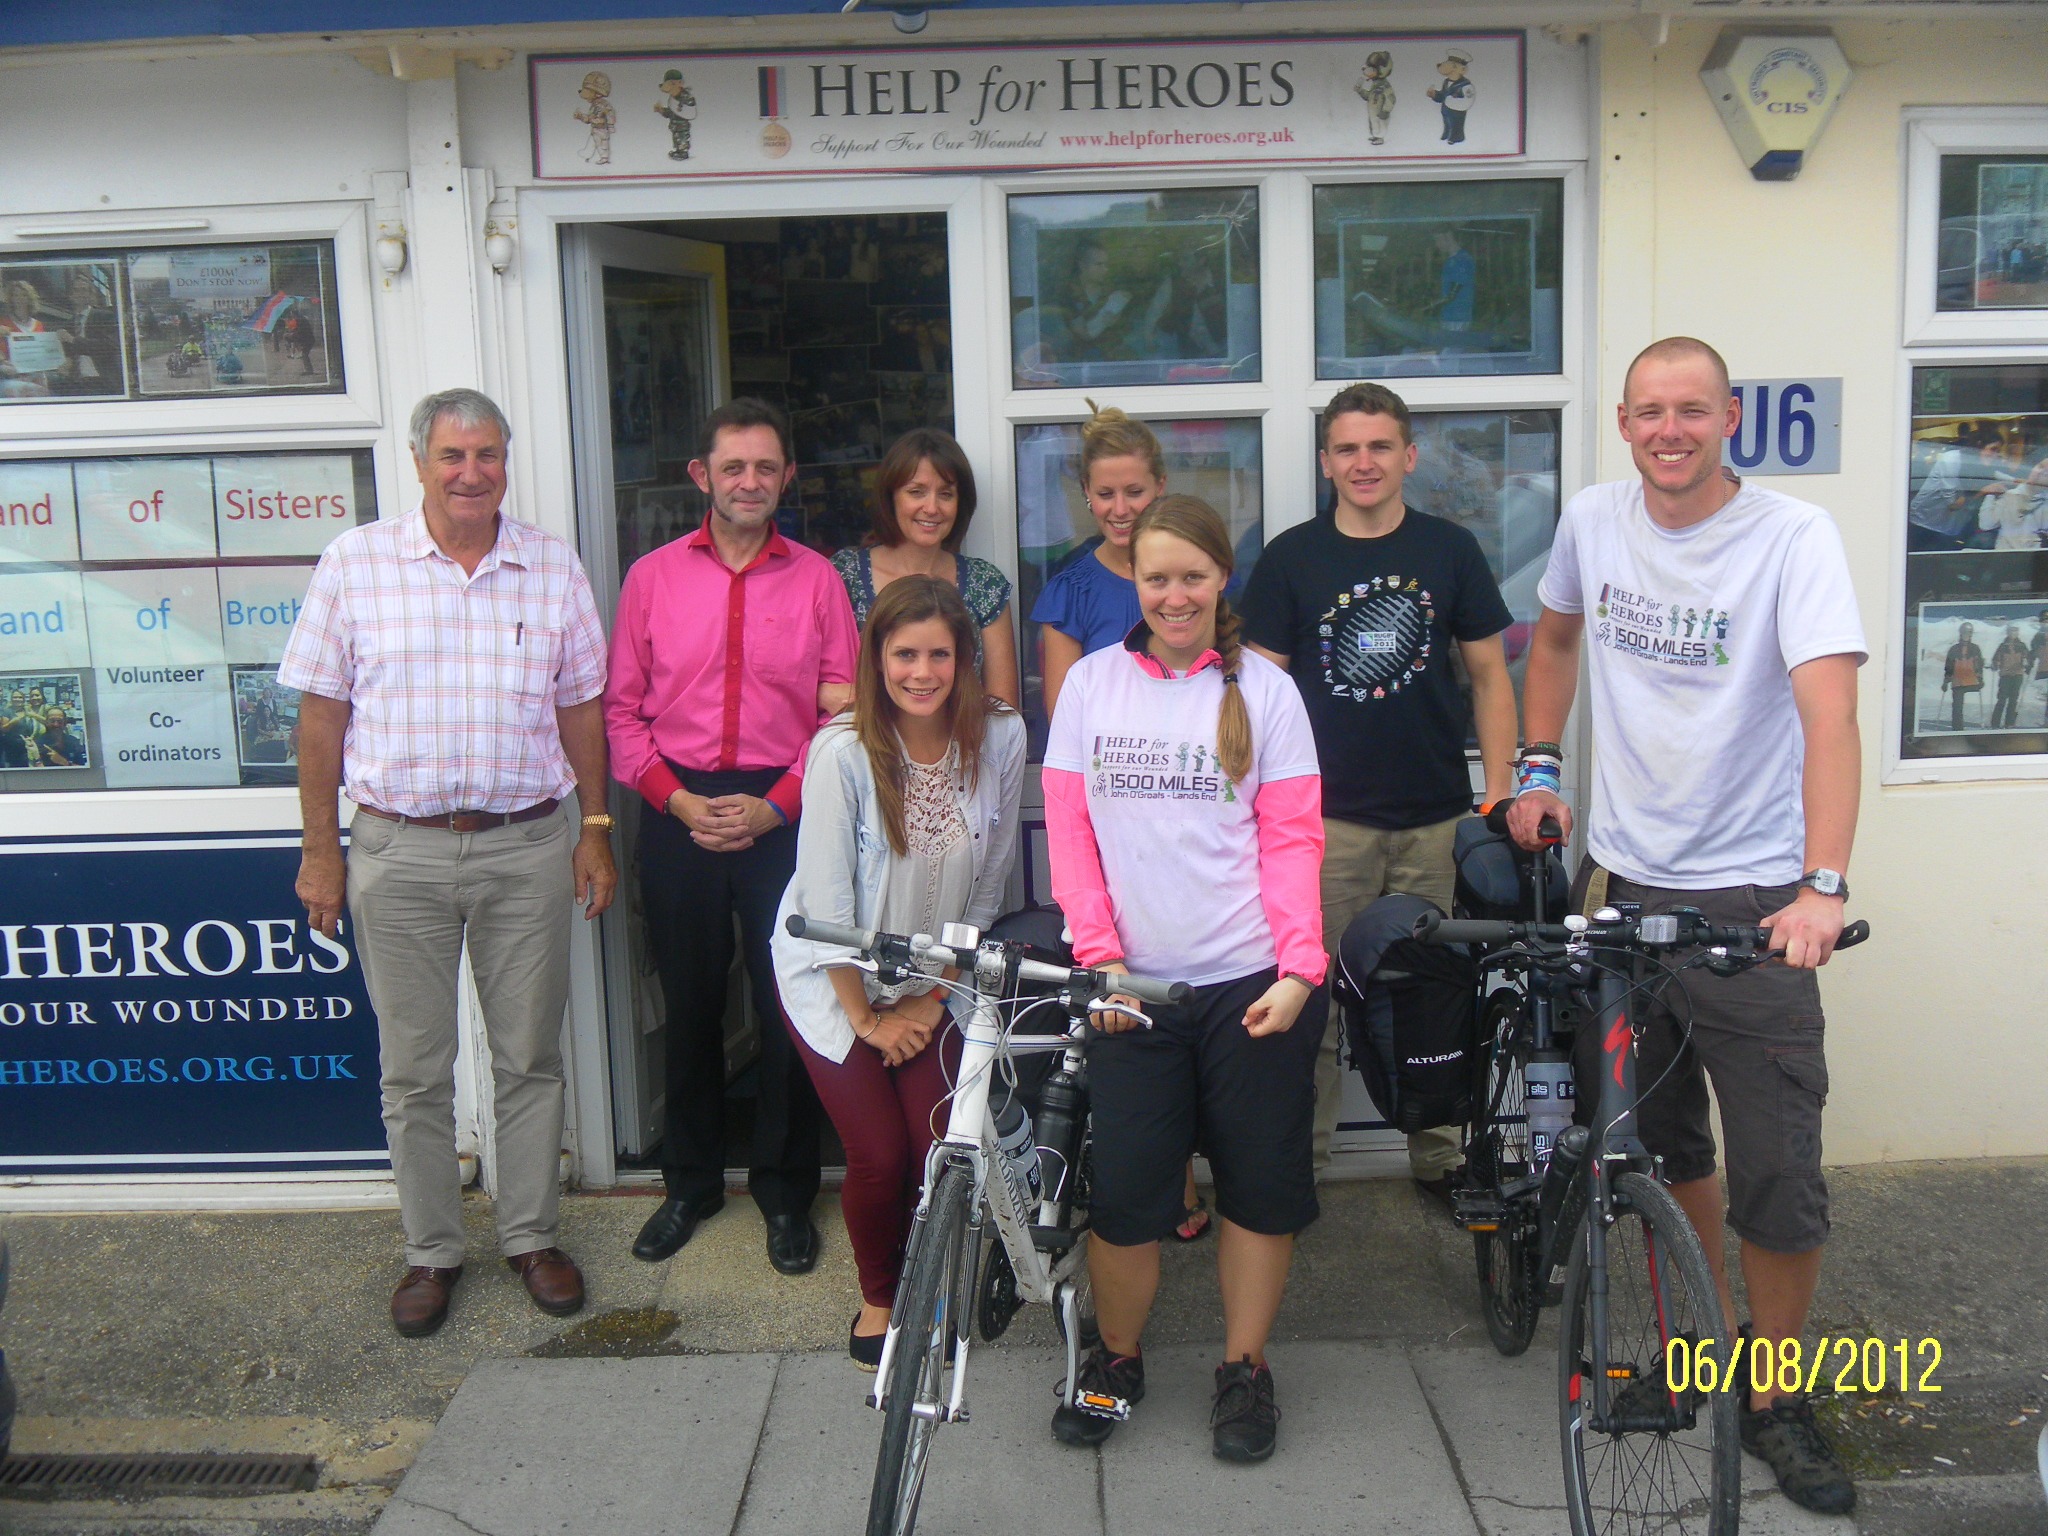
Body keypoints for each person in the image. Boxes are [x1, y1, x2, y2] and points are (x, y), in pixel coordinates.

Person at [1507, 337, 1867, 1516]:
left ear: (1728, 422)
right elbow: (1550, 638)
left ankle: (1774, 1394)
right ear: (1621, 422)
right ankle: (1693, 1339)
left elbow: (1827, 716)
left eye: (1691, 412)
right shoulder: (1592, 521)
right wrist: (1537, 760)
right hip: (1624, 890)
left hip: (1753, 904)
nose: (1669, 431)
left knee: (1777, 1173)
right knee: (1663, 1153)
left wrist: (1820, 884)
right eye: (1649, 412)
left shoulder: (1789, 540)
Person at [280, 388, 617, 1338]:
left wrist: (595, 828)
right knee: (415, 1070)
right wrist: (320, 851)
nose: (472, 473)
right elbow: (319, 719)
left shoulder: (550, 566)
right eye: (453, 456)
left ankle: (529, 1236)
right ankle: (430, 1252)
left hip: (526, 844)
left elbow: (581, 706)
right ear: (422, 465)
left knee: (528, 1057)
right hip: (399, 850)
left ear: (506, 462)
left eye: (487, 456)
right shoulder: (356, 564)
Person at [1042, 494, 1326, 1464]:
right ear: (1133, 577)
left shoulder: (1269, 695)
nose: (1172, 594)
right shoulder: (1088, 687)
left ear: (1219, 581)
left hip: (1252, 987)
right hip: (1134, 994)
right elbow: (1070, 843)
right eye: (1154, 577)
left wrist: (1298, 970)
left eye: (1190, 577)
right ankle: (1115, 1360)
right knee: (1124, 1198)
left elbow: (1291, 843)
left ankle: (1242, 1370)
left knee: (1255, 1193)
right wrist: (1099, 964)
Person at [1242, 382, 1518, 1204]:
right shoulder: (1292, 558)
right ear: (1326, 461)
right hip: (1324, 826)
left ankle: (1437, 1156)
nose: (1364, 463)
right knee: (1311, 999)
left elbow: (1490, 680)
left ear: (1409, 456)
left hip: (1435, 819)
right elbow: (1259, 697)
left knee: (1432, 997)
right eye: (1347, 450)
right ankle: (1305, 1166)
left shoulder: (1450, 550)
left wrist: (1495, 798)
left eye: (1380, 447)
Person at [604, 397, 857, 1275]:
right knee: (692, 1004)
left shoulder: (820, 581)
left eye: (766, 467)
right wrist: (675, 802)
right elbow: (622, 714)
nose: (749, 482)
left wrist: (777, 804)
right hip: (677, 811)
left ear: (786, 477)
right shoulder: (652, 579)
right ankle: (691, 1183)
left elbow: (846, 711)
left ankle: (786, 1194)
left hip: (789, 815)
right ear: (701, 477)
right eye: (733, 467)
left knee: (791, 1010)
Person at [772, 577, 1025, 1369]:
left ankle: (934, 1283)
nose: (922, 671)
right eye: (904, 654)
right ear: (876, 658)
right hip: (831, 979)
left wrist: (924, 994)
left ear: (965, 659)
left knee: (936, 1148)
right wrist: (869, 1017)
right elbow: (824, 900)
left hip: (932, 977)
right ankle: (881, 1294)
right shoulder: (841, 751)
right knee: (878, 1156)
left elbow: (991, 880)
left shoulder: (1001, 737)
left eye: (939, 654)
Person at [1028, 405, 1209, 1240]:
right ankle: (1114, 1166)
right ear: (1086, 498)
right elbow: (1067, 718)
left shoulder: (1193, 579)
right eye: (1106, 493)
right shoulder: (1069, 587)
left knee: (1182, 992)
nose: (1122, 507)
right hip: (1104, 820)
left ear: (1160, 487)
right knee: (1113, 1001)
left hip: (1188, 814)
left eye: (1136, 490)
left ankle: (1178, 1178)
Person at [831, 428, 1021, 707]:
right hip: (864, 746)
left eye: (946, 494)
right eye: (916, 492)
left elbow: (1003, 706)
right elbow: (809, 682)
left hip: (962, 746)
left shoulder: (985, 583)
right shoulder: (843, 575)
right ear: (890, 497)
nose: (932, 508)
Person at [1978, 452, 2047, 551]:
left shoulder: (2045, 503)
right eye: (2040, 466)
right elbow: (1986, 524)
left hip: (2035, 560)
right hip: (2004, 557)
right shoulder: (2010, 495)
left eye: (2047, 472)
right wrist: (1990, 495)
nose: (2039, 472)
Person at [1942, 620, 1985, 732]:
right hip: (1958, 681)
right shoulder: (1954, 649)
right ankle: (1957, 729)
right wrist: (1946, 681)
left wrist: (1980, 679)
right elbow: (1949, 666)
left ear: (1971, 634)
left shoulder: (1975, 648)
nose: (1966, 635)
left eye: (1969, 633)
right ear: (1961, 633)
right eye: (1964, 633)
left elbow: (1979, 665)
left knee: (1959, 704)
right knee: (1957, 707)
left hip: (1972, 680)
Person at [1988, 623, 2030, 729]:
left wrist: (2028, 664)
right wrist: (1995, 664)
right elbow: (1995, 659)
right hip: (2005, 675)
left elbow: (2028, 658)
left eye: (2015, 631)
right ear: (2008, 632)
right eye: (2011, 631)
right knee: (2002, 699)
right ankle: (1995, 723)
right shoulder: (2003, 646)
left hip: (2017, 675)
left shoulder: (2022, 646)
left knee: (2013, 700)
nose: (2013, 633)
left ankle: (2009, 723)